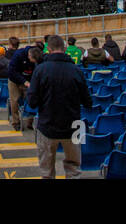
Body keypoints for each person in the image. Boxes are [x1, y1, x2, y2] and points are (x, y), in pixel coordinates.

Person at [27, 33, 93, 178]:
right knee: (74, 169)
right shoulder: (76, 70)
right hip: (74, 124)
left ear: (48, 50)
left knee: (46, 170)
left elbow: (32, 102)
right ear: (64, 49)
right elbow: (88, 102)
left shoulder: (40, 70)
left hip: (47, 124)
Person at [6, 43, 42, 130]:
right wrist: (24, 82)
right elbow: (11, 71)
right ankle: (16, 122)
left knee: (31, 99)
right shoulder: (18, 55)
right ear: (29, 55)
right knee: (15, 100)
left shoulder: (38, 56)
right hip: (14, 79)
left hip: (29, 79)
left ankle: (30, 121)